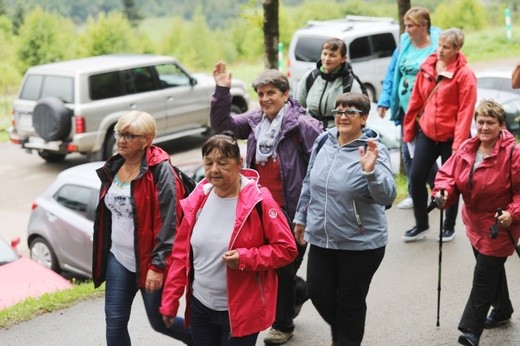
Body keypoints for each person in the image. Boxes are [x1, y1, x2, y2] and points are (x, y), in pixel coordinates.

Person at [210, 62, 323, 345]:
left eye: (271, 92)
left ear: (285, 94)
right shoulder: (255, 121)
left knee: (282, 268)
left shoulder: (303, 126)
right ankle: (297, 293)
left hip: (293, 210)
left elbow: (319, 169)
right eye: (260, 94)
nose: (264, 99)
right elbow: (223, 126)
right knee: (276, 269)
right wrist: (222, 91)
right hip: (261, 209)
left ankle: (282, 324)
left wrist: (307, 214)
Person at [160, 132, 298, 345]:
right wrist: (170, 300)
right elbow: (181, 255)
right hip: (200, 306)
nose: (214, 170)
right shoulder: (199, 197)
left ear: (239, 163)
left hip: (240, 311)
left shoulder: (260, 201)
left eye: (222, 163)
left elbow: (287, 249)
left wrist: (245, 258)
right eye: (208, 163)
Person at [294, 92, 396, 346]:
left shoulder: (374, 150)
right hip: (322, 237)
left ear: (363, 118)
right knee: (318, 293)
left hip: (361, 242)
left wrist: (370, 172)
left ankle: (345, 341)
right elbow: (309, 182)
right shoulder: (322, 142)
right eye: (339, 111)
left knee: (349, 301)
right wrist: (301, 218)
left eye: (350, 112)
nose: (342, 116)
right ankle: (346, 336)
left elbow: (387, 196)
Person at [92, 111, 193, 346]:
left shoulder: (161, 171)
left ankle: (209, 340)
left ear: (146, 140)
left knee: (160, 322)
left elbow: (171, 223)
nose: (121, 140)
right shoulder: (114, 166)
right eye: (119, 133)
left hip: (150, 261)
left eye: (129, 135)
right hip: (118, 257)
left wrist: (158, 266)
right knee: (114, 322)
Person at [432, 100, 520, 346]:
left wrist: (513, 213)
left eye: (490, 122)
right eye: (480, 122)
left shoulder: (514, 154)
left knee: (483, 275)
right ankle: (502, 310)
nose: (483, 127)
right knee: (492, 270)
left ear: (502, 126)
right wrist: (443, 193)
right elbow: (447, 176)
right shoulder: (466, 149)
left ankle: (471, 330)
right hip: (473, 222)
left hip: (500, 225)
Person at [402, 28, 477, 242]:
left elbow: (466, 110)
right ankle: (421, 224)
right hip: (427, 131)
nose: (441, 50)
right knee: (416, 177)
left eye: (446, 47)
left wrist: (458, 144)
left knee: (450, 183)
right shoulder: (428, 65)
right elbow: (416, 99)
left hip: (453, 136)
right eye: (440, 45)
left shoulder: (464, 74)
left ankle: (448, 226)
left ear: (457, 49)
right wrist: (409, 128)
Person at [377, 7, 442, 211]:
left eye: (410, 25)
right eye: (405, 25)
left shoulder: (437, 46)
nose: (406, 29)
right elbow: (392, 72)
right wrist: (384, 100)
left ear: (423, 25)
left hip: (429, 110)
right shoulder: (405, 43)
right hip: (407, 110)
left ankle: (438, 190)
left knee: (423, 153)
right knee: (408, 152)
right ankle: (420, 194)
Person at [296, 37, 365, 128]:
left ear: (343, 58)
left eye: (332, 55)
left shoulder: (349, 84)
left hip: (338, 133)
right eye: (325, 54)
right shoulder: (310, 77)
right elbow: (297, 108)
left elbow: (359, 115)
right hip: (309, 130)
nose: (327, 58)